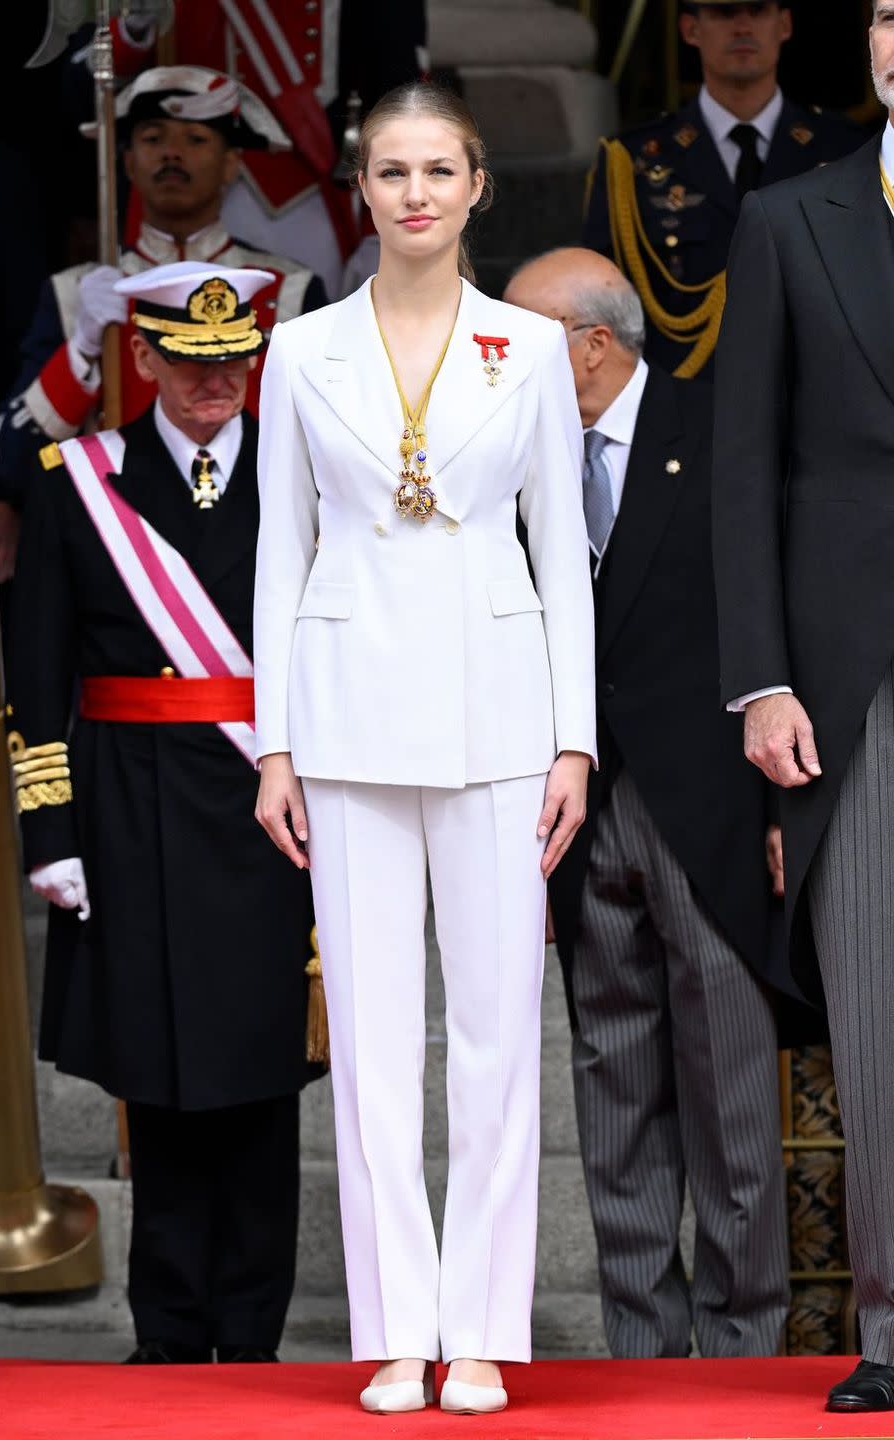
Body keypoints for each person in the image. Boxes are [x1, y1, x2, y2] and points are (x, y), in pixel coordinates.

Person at [252, 83, 596, 1414]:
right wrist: (275, 744)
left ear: (476, 186)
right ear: (361, 185)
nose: (414, 193)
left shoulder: (527, 343)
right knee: (377, 1042)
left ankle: (480, 1331)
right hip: (341, 714)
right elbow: (283, 549)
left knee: (500, 1035)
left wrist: (574, 740)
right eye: (390, 171)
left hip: (505, 712)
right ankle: (397, 1327)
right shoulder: (301, 350)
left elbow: (560, 553)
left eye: (437, 169)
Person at [6, 262, 321, 1364]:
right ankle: (172, 1337)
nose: (214, 384)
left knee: (259, 1080)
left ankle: (252, 1334)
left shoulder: (304, 477)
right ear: (141, 358)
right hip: (127, 812)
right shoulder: (72, 479)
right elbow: (35, 669)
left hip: (269, 810)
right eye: (190, 364)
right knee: (159, 1074)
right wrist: (50, 831)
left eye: (232, 360)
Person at [504, 247, 789, 1360]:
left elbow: (775, 618)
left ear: (589, 343)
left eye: (517, 336)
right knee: (612, 1085)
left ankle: (743, 1340)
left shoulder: (718, 431)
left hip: (709, 808)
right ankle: (645, 1345)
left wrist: (784, 815)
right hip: (575, 809)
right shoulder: (513, 455)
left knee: (729, 1092)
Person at [712, 3, 894, 1412]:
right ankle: (893, 1329)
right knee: (880, 1016)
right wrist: (763, 677)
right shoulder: (788, 219)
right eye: (892, 11)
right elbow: (744, 473)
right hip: (851, 686)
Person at [0, 65, 328, 516]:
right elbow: (9, 462)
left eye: (195, 140)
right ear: (127, 162)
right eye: (153, 138)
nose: (172, 153)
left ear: (232, 163)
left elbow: (330, 448)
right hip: (120, 541)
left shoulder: (291, 290)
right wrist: (81, 350)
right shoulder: (75, 293)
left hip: (252, 532)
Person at [582, 0, 862, 379]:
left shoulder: (847, 148)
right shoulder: (631, 161)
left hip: (821, 388)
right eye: (724, 12)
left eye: (757, 11)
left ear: (784, 23)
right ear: (690, 29)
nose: (742, 27)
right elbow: (603, 300)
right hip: (686, 396)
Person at [110, 0, 429, 299]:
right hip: (181, 187)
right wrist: (132, 28)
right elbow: (96, 83)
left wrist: (383, 227)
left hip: (307, 195)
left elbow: (399, 98)